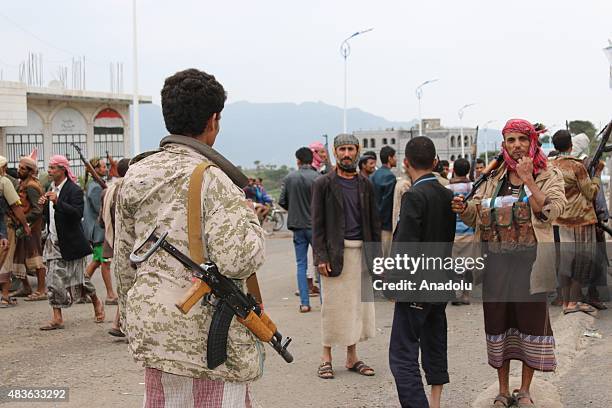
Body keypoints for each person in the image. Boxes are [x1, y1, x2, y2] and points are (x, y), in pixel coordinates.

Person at [112, 68, 265, 406]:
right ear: (213, 120)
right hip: (205, 336)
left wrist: (132, 316)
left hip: (154, 328)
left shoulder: (136, 173)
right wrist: (254, 225)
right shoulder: (216, 180)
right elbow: (237, 260)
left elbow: (122, 259)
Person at [452, 119, 566, 407]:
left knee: (531, 324)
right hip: (495, 265)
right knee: (498, 323)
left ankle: (525, 389)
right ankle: (502, 390)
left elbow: (551, 211)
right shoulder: (493, 177)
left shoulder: (549, 174)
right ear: (504, 144)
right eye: (511, 140)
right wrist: (464, 209)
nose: (516, 146)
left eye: (522, 140)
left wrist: (528, 179)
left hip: (531, 265)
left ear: (532, 143)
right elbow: (477, 215)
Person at [389, 136, 455, 408]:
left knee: (402, 354)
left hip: (416, 285)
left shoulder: (414, 195)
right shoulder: (447, 194)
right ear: (436, 162)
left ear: (405, 163)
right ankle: (436, 403)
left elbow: (406, 246)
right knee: (435, 344)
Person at [312, 133, 380, 380]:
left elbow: (374, 223)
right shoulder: (323, 184)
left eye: (351, 149)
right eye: (342, 150)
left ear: (358, 150)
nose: (347, 154)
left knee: (357, 308)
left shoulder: (366, 184)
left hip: (361, 253)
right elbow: (317, 224)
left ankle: (352, 357)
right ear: (335, 152)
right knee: (332, 308)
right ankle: (326, 357)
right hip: (334, 256)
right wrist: (320, 257)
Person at [39, 155, 104, 330]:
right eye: (49, 168)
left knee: (80, 280)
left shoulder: (73, 190)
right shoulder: (49, 188)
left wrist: (58, 202)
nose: (50, 171)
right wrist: (43, 204)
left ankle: (96, 301)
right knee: (52, 280)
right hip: (53, 241)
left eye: (53, 168)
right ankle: (57, 317)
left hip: (71, 242)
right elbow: (49, 217)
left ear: (63, 170)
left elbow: (77, 214)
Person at [549, 130, 603, 314]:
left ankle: (565, 302)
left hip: (558, 220)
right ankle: (573, 302)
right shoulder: (577, 167)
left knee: (564, 263)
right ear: (571, 144)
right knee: (581, 261)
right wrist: (598, 174)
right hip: (580, 221)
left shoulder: (549, 166)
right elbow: (591, 193)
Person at [279, 147, 319, 313]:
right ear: (312, 159)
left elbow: (282, 201)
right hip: (315, 226)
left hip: (297, 226)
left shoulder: (290, 178)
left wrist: (294, 209)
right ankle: (325, 302)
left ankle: (304, 303)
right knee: (320, 263)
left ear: (298, 160)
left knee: (301, 264)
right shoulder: (318, 178)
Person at [100, 158, 131, 338]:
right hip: (129, 242)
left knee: (124, 283)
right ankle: (121, 323)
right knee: (131, 284)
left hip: (111, 239)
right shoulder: (128, 189)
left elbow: (101, 220)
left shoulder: (107, 191)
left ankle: (117, 322)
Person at [82, 157, 117, 305]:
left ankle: (80, 289)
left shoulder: (94, 185)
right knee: (105, 262)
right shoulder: (95, 188)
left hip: (97, 230)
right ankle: (110, 294)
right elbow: (100, 211)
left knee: (97, 261)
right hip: (99, 231)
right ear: (95, 170)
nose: (105, 169)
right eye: (102, 167)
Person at [13, 155, 47, 301]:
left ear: (30, 171)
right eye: (19, 167)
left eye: (22, 168)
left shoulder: (31, 186)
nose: (19, 170)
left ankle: (41, 290)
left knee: (36, 258)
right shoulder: (23, 183)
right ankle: (26, 287)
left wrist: (23, 221)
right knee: (19, 256)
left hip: (31, 227)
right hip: (24, 226)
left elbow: (37, 210)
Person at [0, 156, 31, 306]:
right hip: (5, 226)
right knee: (6, 258)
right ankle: (5, 297)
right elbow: (15, 206)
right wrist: (25, 224)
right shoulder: (4, 182)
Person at [447, 158, 474, 306]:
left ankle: (454, 293)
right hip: (470, 230)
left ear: (454, 171)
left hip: (453, 232)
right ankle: (466, 294)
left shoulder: (447, 189)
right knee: (468, 265)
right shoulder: (473, 186)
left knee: (453, 265)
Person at [370, 146, 397, 257]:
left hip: (374, 222)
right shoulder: (390, 176)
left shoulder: (373, 175)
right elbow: (387, 202)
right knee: (386, 256)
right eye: (394, 156)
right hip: (385, 225)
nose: (396, 159)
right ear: (389, 158)